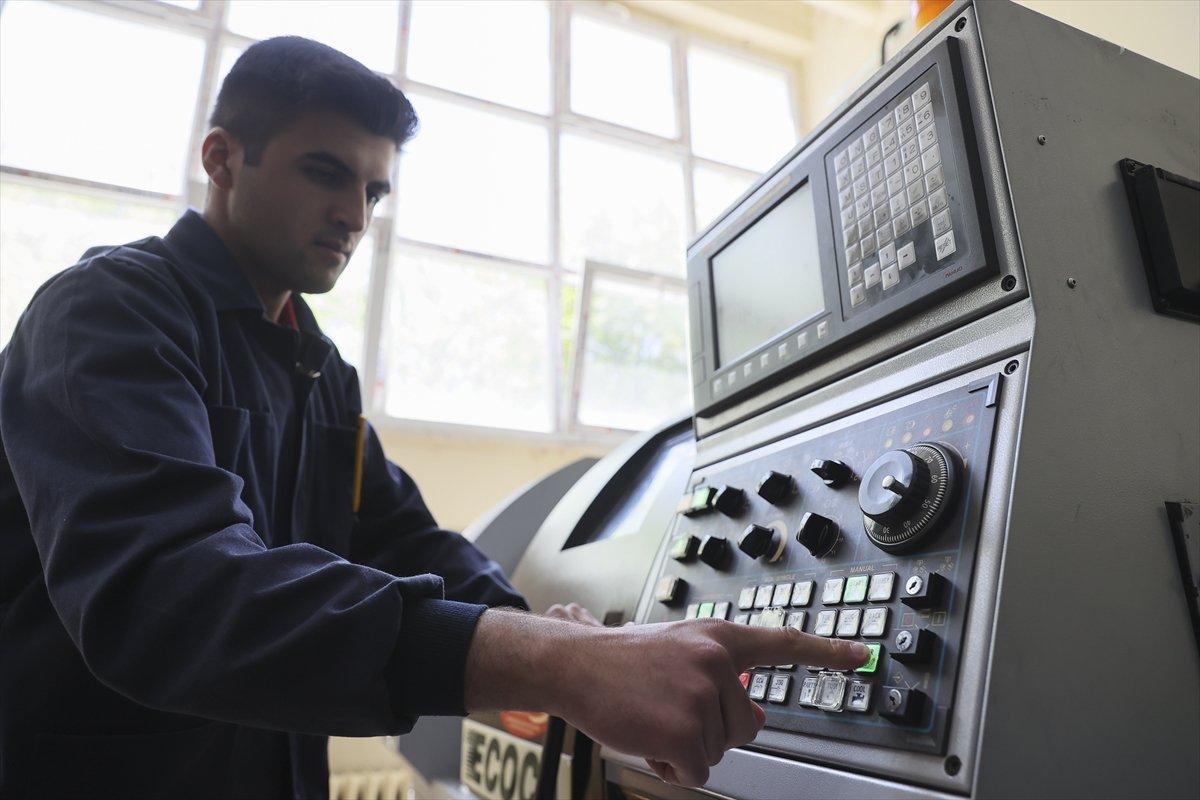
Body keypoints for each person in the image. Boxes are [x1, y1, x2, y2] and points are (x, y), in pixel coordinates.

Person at [0, 36, 867, 799]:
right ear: (223, 159)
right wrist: (550, 665)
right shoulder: (107, 314)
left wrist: (554, 632)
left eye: (375, 191)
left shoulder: (316, 368)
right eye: (325, 173)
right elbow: (167, 595)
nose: (354, 215)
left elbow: (404, 540)